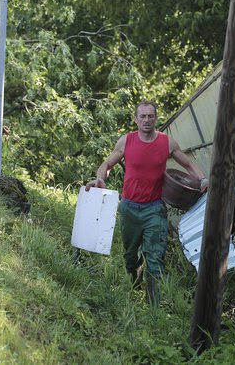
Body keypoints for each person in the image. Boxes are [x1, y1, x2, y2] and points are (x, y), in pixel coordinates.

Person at [85, 100, 208, 306]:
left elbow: (188, 163)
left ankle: (153, 307)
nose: (146, 120)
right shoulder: (126, 141)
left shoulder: (166, 142)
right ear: (136, 119)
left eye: (150, 116)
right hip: (129, 207)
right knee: (130, 257)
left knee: (155, 258)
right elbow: (107, 164)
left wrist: (203, 179)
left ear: (155, 118)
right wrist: (100, 178)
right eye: (142, 116)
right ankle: (135, 285)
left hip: (154, 209)